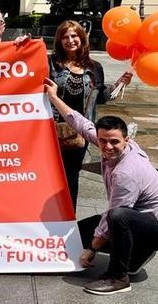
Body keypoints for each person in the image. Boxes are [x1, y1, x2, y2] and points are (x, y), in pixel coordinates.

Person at [44, 79, 158, 296]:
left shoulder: (127, 171)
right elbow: (79, 122)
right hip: (139, 219)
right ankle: (136, 255)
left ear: (126, 140)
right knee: (78, 233)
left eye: (114, 142)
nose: (107, 147)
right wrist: (53, 97)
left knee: (117, 217)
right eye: (103, 141)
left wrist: (92, 248)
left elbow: (114, 214)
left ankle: (118, 277)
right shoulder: (107, 141)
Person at [49, 20, 131, 208]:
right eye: (65, 37)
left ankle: (68, 218)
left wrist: (120, 84)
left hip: (79, 132)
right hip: (51, 130)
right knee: (49, 176)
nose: (70, 40)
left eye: (74, 36)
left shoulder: (95, 67)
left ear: (82, 38)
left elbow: (100, 96)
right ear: (59, 40)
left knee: (71, 177)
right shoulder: (51, 63)